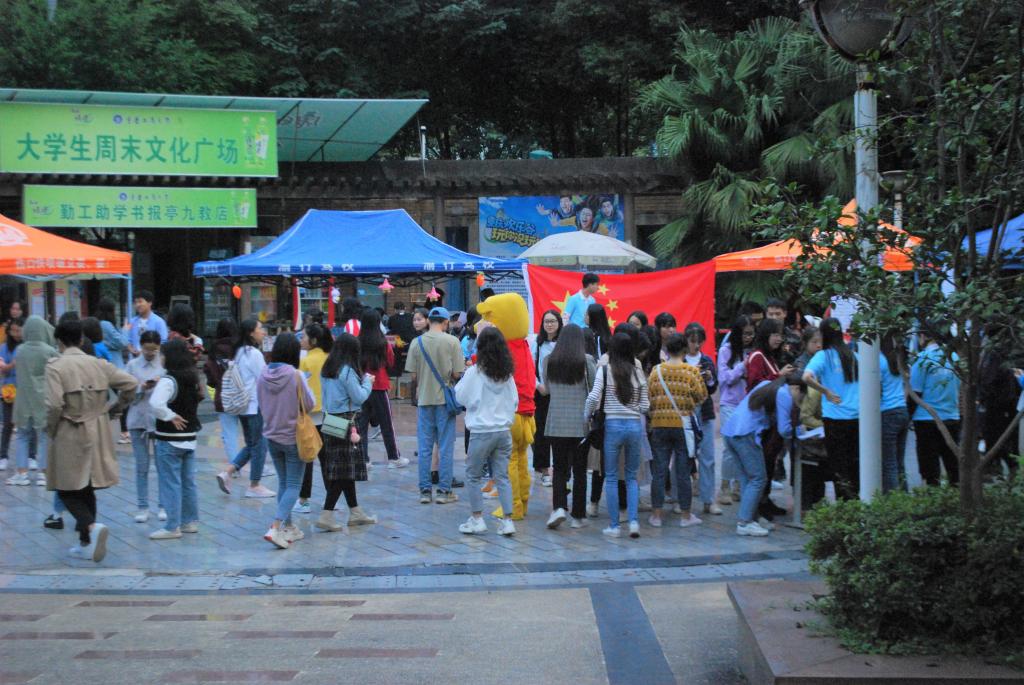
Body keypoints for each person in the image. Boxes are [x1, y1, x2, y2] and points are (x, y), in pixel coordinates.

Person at [45, 318, 137, 562]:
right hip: (97, 428)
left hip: (69, 428)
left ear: (59, 341)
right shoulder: (98, 364)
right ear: (81, 339)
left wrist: (51, 428)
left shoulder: (56, 367)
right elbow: (131, 383)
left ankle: (90, 527)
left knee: (65, 486)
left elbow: (54, 405)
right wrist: (115, 408)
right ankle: (86, 542)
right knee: (87, 485)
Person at [454, 326, 518, 536]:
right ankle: (508, 521)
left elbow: (460, 396)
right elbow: (514, 401)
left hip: (481, 431)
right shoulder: (507, 374)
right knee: (502, 476)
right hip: (503, 431)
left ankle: (477, 518)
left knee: (473, 475)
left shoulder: (475, 372)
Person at [585, 332, 650, 539]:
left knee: (611, 477)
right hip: (634, 426)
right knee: (631, 477)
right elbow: (645, 405)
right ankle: (633, 522)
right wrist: (633, 408)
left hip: (612, 426)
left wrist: (586, 415)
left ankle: (614, 526)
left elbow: (593, 397)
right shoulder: (638, 372)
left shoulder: (605, 370)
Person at [257, 333, 316, 549]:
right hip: (293, 436)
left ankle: (288, 527)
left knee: (283, 482)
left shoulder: (263, 374)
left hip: (271, 435)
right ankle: (275, 527)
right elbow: (310, 404)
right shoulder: (296, 375)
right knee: (293, 485)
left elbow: (260, 403)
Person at [721, 375, 798, 537]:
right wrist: (799, 431)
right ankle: (745, 522)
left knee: (747, 479)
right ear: (797, 388)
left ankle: (751, 518)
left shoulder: (767, 384)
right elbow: (784, 429)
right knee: (758, 478)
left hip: (731, 432)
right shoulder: (784, 394)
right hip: (746, 434)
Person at [317, 333, 376, 531]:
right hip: (347, 421)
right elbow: (359, 397)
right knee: (343, 472)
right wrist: (367, 382)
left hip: (330, 420)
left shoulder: (327, 369)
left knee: (344, 468)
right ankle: (326, 514)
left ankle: (355, 512)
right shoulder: (347, 371)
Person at [648, 333, 708, 528]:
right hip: (683, 427)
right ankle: (685, 515)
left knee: (659, 471)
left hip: (659, 425)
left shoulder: (656, 371)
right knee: (683, 472)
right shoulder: (691, 371)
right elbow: (702, 397)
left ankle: (656, 516)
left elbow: (648, 397)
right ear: (684, 349)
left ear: (666, 349)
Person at [405, 306, 464, 503]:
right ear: (446, 322)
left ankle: (424, 491)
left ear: (429, 321)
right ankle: (444, 491)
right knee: (445, 447)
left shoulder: (417, 342)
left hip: (424, 400)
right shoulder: (452, 341)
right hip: (445, 402)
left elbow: (413, 376)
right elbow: (457, 373)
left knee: (424, 448)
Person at [542, 324, 596, 529]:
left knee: (559, 467)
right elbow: (593, 390)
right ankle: (578, 516)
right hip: (580, 423)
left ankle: (558, 507)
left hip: (556, 422)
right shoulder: (586, 361)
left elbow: (547, 389)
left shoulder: (549, 360)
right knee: (580, 470)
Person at [147, 338, 202, 540]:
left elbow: (155, 403)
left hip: (169, 438)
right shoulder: (192, 378)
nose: (160, 358)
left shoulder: (168, 380)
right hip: (189, 438)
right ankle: (189, 521)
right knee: (188, 482)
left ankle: (172, 526)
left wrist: (169, 416)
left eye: (162, 354)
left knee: (170, 482)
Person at [216, 319, 275, 498]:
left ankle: (227, 472)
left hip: (243, 406)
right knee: (259, 446)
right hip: (254, 405)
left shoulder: (239, 352)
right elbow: (265, 378)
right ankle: (254, 485)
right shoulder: (253, 354)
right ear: (251, 332)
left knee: (252, 444)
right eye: (260, 328)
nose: (263, 331)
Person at [802, 318, 860, 499]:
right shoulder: (853, 356)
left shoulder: (823, 356)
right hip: (856, 417)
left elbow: (806, 377)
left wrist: (825, 391)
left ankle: (843, 505)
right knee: (854, 463)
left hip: (834, 418)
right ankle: (855, 501)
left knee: (838, 465)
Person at [910, 324, 961, 486]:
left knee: (930, 469)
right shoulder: (954, 357)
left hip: (926, 419)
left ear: (923, 336)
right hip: (951, 416)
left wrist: (908, 416)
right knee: (953, 465)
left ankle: (933, 495)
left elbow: (915, 392)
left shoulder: (923, 359)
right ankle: (955, 493)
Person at [6, 316, 54, 487]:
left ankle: (22, 473)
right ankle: (43, 473)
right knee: (44, 436)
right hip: (43, 398)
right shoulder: (49, 351)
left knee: (22, 436)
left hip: (23, 398)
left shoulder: (20, 350)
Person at [356, 309, 407, 468]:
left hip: (361, 387)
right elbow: (390, 362)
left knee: (361, 425)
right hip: (379, 385)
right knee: (386, 423)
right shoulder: (383, 343)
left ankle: (363, 460)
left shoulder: (357, 342)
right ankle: (394, 458)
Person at [125, 331, 166, 523]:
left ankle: (163, 505)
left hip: (158, 421)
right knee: (141, 466)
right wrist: (141, 387)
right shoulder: (132, 365)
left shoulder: (164, 364)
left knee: (162, 465)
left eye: (154, 350)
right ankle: (142, 506)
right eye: (147, 349)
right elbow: (126, 393)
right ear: (140, 346)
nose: (150, 353)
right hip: (137, 420)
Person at [682, 322, 722, 516]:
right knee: (683, 456)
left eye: (699, 341)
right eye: (692, 341)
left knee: (708, 457)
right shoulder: (680, 360)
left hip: (705, 411)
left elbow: (713, 387)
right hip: (685, 412)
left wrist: (708, 378)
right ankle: (682, 500)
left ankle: (709, 500)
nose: (696, 345)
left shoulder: (706, 360)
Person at [717, 314, 755, 505]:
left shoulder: (753, 352)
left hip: (748, 404)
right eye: (745, 333)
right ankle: (724, 486)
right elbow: (725, 378)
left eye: (751, 334)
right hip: (730, 404)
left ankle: (739, 486)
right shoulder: (726, 350)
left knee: (746, 446)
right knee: (729, 447)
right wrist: (743, 366)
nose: (748, 337)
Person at [294, 323, 332, 514]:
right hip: (330, 415)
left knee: (306, 458)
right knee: (328, 459)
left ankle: (303, 500)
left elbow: (300, 390)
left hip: (309, 417)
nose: (301, 339)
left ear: (313, 340)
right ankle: (331, 498)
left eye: (303, 336)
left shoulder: (306, 361)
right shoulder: (330, 358)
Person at [203, 319, 241, 467]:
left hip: (223, 397)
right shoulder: (240, 348)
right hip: (243, 396)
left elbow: (210, 377)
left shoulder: (214, 349)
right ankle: (257, 466)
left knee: (229, 434)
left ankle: (235, 467)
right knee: (251, 434)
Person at [531, 309, 562, 487]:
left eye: (553, 321)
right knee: (541, 431)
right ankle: (544, 470)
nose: (549, 324)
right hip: (542, 393)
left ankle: (560, 469)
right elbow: (530, 368)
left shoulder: (563, 343)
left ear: (559, 323)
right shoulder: (537, 343)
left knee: (558, 433)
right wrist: (538, 386)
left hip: (561, 394)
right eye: (546, 321)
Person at [879, 333, 910, 492]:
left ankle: (893, 500)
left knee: (889, 463)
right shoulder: (899, 359)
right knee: (899, 462)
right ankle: (904, 496)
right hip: (902, 410)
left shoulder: (879, 360)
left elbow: (876, 389)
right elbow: (907, 385)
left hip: (887, 413)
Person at [0, 317, 23, 472]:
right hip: (8, 389)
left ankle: (31, 456)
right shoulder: (3, 347)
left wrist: (10, 365)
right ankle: (3, 456)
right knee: (8, 423)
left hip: (24, 388)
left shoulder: (26, 346)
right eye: (13, 330)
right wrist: (12, 364)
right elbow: (3, 368)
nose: (15, 334)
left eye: (18, 330)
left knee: (27, 425)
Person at [746, 318, 792, 391]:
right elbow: (755, 386)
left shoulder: (770, 356)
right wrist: (780, 374)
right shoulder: (757, 356)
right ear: (766, 335)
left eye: (781, 336)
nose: (779, 339)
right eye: (776, 335)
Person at [127, 290, 169, 356]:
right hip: (136, 359)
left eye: (140, 301)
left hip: (153, 359)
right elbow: (128, 340)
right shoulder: (132, 321)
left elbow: (163, 342)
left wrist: (148, 352)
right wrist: (131, 349)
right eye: (135, 302)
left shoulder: (159, 322)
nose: (137, 305)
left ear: (149, 303)